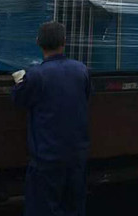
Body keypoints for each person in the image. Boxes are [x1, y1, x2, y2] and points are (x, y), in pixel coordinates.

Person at [11, 21, 92, 216]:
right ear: (64, 41)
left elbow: (19, 100)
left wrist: (19, 82)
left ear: (38, 42)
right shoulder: (81, 70)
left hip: (47, 158)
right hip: (76, 156)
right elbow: (87, 96)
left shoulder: (36, 75)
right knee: (74, 207)